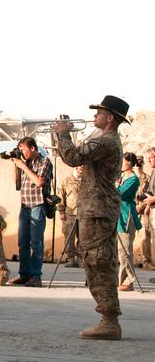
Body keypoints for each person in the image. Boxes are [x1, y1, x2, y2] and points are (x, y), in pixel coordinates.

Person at [53, 95, 129, 340]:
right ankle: (107, 319)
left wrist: (63, 133)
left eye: (99, 113)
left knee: (99, 262)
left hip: (98, 211)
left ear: (110, 118)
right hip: (95, 210)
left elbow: (73, 157)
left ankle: (109, 321)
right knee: (95, 262)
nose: (94, 116)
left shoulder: (106, 142)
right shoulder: (102, 139)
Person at [9, 137, 53, 287]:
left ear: (33, 148)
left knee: (36, 242)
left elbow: (39, 182)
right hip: (25, 206)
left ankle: (36, 276)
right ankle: (24, 274)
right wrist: (16, 165)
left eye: (24, 149)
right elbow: (17, 185)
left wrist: (23, 166)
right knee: (22, 243)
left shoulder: (44, 162)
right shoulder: (24, 163)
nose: (22, 152)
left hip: (38, 205)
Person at [116, 153, 141, 291]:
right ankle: (117, 279)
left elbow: (120, 193)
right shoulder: (120, 177)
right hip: (116, 215)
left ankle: (128, 281)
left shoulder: (133, 180)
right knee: (117, 251)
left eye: (123, 161)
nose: (121, 163)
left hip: (126, 216)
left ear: (130, 163)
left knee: (125, 251)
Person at [57, 166, 83, 267]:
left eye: (83, 166)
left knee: (83, 237)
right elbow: (60, 197)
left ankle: (81, 259)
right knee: (69, 237)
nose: (81, 168)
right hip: (70, 214)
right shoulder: (66, 181)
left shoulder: (88, 181)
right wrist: (61, 211)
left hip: (83, 214)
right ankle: (71, 259)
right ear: (75, 167)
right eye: (79, 166)